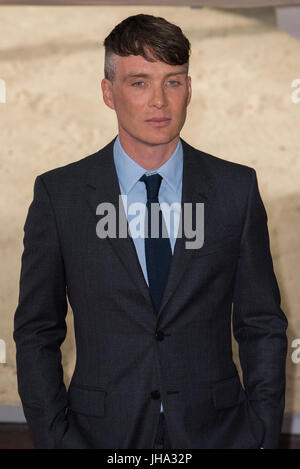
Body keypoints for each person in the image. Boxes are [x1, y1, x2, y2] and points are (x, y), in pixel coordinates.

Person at [13, 13, 288, 449]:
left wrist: (259, 432)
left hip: (218, 434)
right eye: (139, 82)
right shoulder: (59, 196)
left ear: (190, 89)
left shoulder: (236, 189)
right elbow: (37, 331)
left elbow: (262, 325)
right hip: (98, 437)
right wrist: (55, 438)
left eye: (173, 81)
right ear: (108, 92)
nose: (159, 101)